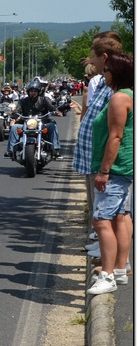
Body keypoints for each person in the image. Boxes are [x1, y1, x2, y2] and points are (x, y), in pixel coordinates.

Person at [87, 52, 134, 295]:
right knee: (119, 216)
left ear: (115, 73)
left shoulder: (119, 99)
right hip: (121, 169)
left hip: (115, 170)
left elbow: (116, 136)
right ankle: (118, 269)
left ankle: (107, 276)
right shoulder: (125, 96)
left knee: (101, 220)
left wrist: (104, 171)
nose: (101, 74)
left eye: (105, 70)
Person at [74, 31, 123, 222]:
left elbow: (115, 132)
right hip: (92, 156)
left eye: (93, 57)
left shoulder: (114, 88)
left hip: (101, 157)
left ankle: (101, 245)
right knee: (97, 209)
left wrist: (104, 169)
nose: (90, 62)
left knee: (106, 216)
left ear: (104, 57)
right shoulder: (103, 82)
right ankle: (97, 239)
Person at [6, 79, 62, 159]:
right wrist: (13, 116)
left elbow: (51, 107)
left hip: (42, 122)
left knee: (52, 126)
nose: (33, 93)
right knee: (14, 127)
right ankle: (10, 150)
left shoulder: (44, 100)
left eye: (35, 91)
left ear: (39, 92)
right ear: (28, 92)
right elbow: (18, 110)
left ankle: (56, 149)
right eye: (31, 91)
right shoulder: (23, 101)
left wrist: (56, 111)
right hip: (26, 122)